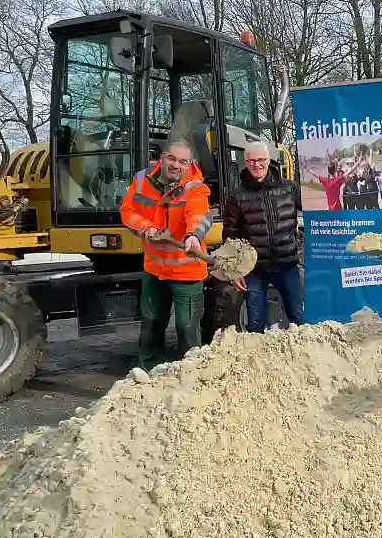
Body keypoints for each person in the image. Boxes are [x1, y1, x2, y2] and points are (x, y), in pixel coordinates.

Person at [120, 139, 213, 370]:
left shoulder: (195, 186)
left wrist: (193, 236)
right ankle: (149, 372)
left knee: (187, 327)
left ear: (189, 164)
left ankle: (193, 374)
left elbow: (200, 215)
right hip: (154, 269)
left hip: (186, 270)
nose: (176, 165)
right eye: (171, 158)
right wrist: (146, 228)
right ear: (161, 158)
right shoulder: (142, 180)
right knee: (151, 322)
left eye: (183, 161)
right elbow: (128, 211)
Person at [225, 141, 304, 331]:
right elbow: (229, 235)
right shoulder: (237, 196)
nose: (256, 164)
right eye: (251, 161)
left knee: (299, 319)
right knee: (254, 326)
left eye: (261, 159)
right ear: (245, 162)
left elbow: (316, 214)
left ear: (269, 161)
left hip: (287, 265)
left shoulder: (290, 189)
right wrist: (234, 272)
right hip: (254, 271)